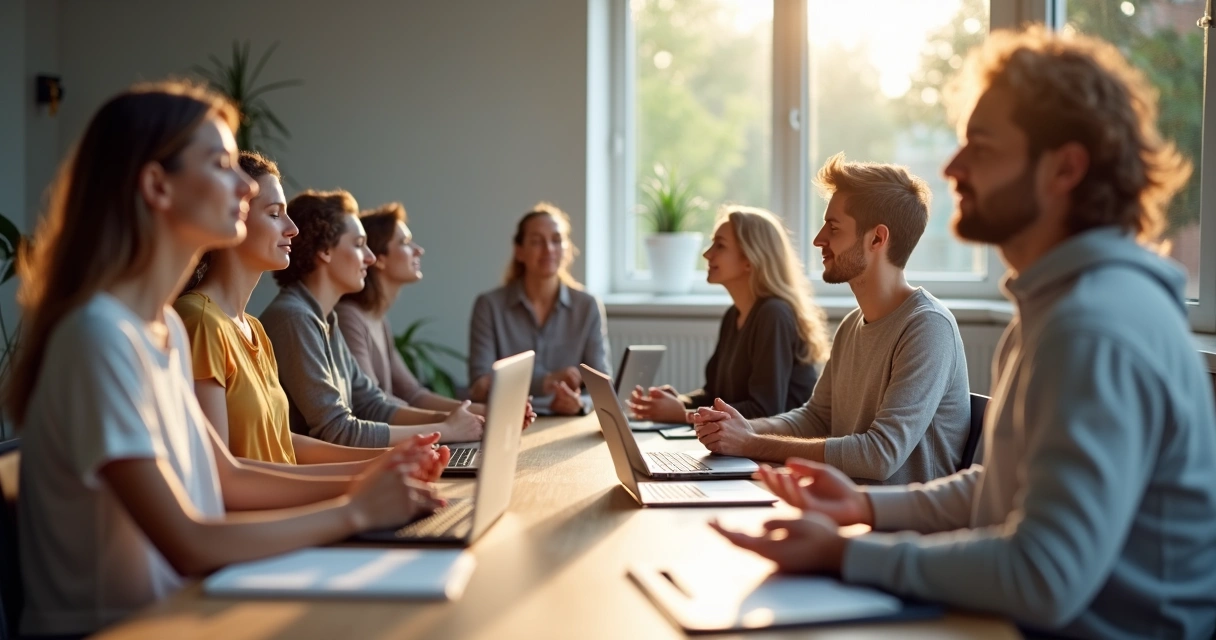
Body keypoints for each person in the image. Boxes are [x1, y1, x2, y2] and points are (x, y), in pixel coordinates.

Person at [712, 27, 1216, 639]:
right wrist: (865, 507)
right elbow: (1002, 489)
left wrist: (847, 554)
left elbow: (1043, 577)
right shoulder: (1053, 311)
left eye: (982, 144)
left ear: (1065, 168)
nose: (952, 166)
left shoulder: (1095, 326)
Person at [7, 81, 446, 638]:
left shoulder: (159, 327)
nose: (242, 183)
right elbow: (189, 542)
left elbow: (227, 476)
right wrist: (356, 510)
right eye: (220, 163)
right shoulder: (98, 337)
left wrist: (371, 478)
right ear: (156, 186)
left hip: (190, 613)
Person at [693, 155, 970, 485]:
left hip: (898, 525)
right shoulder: (853, 324)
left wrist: (751, 443)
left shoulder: (928, 327)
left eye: (833, 227)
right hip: (842, 504)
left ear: (877, 239)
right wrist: (741, 427)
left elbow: (880, 456)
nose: (819, 239)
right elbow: (816, 418)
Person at [176, 152, 404, 473]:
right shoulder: (200, 320)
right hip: (264, 517)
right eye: (274, 214)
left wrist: (386, 460)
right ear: (233, 215)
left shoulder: (254, 329)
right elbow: (221, 475)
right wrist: (357, 484)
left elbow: (284, 443)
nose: (293, 229)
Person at [261, 190, 484, 447]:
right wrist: (445, 430)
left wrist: (456, 421)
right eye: (358, 244)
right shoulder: (295, 318)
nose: (369, 256)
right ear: (324, 250)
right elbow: (338, 430)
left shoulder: (325, 317)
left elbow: (372, 403)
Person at [628, 206, 830, 422]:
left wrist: (683, 415)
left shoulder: (774, 315)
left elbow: (766, 410)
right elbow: (714, 396)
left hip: (776, 449)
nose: (707, 253)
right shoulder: (733, 315)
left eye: (720, 245)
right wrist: (680, 402)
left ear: (750, 260)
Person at [336, 202, 487, 416]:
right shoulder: (348, 317)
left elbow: (414, 394)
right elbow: (370, 404)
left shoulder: (378, 321)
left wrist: (484, 412)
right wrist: (451, 422)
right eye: (405, 242)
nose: (418, 250)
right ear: (379, 258)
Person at [468, 202, 609, 415]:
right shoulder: (489, 306)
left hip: (568, 420)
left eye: (556, 240)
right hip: (510, 420)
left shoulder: (587, 306)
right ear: (519, 251)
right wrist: (544, 381)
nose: (549, 249)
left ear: (566, 249)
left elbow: (604, 387)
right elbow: (479, 386)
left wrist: (580, 403)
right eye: (536, 242)